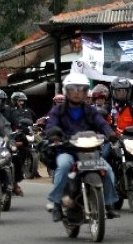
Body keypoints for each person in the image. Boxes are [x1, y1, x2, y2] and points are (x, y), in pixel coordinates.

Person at [45, 73, 119, 222]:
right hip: (67, 150)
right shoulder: (58, 110)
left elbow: (101, 123)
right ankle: (57, 203)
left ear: (86, 92)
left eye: (81, 89)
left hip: (89, 151)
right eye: (73, 89)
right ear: (67, 91)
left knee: (109, 170)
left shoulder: (90, 110)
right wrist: (54, 136)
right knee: (64, 166)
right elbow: (51, 126)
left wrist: (110, 133)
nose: (77, 92)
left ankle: (109, 203)